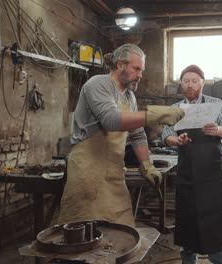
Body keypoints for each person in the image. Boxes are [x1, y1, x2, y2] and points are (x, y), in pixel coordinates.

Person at [58, 44, 184, 227]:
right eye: (136, 68)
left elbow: (137, 134)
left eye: (142, 70)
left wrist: (147, 165)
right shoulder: (99, 84)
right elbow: (111, 120)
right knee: (82, 232)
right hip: (87, 171)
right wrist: (154, 115)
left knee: (120, 231)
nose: (140, 75)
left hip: (114, 172)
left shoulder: (129, 97)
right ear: (120, 65)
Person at [162, 65, 222, 264]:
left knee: (215, 226)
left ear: (203, 83)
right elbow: (166, 134)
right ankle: (188, 259)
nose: (190, 85)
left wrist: (218, 130)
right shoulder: (176, 109)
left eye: (195, 81)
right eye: (186, 81)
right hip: (187, 177)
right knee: (188, 223)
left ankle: (219, 260)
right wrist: (177, 141)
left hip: (213, 178)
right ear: (181, 84)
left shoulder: (217, 105)